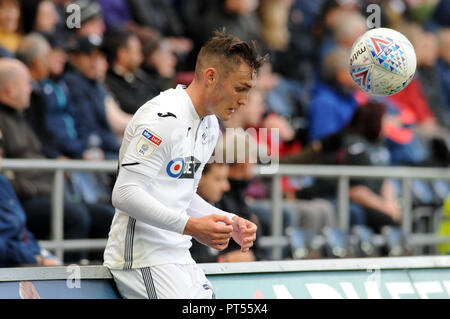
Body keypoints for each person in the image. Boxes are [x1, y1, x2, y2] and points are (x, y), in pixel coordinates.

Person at [103, 30, 263, 299]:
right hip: (143, 260)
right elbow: (124, 193)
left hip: (178, 255)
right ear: (211, 76)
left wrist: (230, 220)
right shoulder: (163, 117)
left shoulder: (210, 124)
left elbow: (181, 196)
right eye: (240, 88)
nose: (244, 100)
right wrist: (192, 226)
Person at [0, 128, 60, 267]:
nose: (1, 150)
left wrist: (39, 254)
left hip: (23, 262)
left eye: (2, 143)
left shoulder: (2, 182)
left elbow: (23, 232)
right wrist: (37, 260)